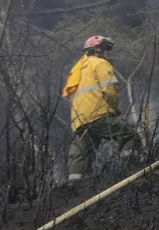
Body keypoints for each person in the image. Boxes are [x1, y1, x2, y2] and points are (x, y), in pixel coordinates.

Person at [61, 36, 142, 183]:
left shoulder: (76, 70)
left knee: (81, 153)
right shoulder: (100, 63)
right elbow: (110, 89)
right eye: (106, 49)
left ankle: (74, 187)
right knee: (130, 136)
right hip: (98, 114)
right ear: (97, 49)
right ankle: (129, 168)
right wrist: (114, 109)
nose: (108, 53)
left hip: (79, 121)